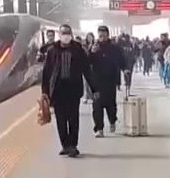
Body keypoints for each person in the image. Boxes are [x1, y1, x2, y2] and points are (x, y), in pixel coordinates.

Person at [40, 23, 92, 158]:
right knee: (61, 120)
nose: (66, 36)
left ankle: (73, 145)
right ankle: (65, 145)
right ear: (59, 35)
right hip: (58, 90)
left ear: (71, 34)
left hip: (73, 89)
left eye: (68, 33)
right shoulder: (52, 51)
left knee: (73, 118)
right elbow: (46, 72)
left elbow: (86, 69)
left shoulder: (78, 50)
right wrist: (45, 91)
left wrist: (94, 88)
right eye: (63, 33)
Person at [88, 25, 126, 137]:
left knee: (111, 104)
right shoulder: (94, 47)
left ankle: (112, 120)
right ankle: (99, 129)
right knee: (97, 106)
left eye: (104, 36)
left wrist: (125, 69)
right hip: (97, 81)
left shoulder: (114, 48)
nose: (102, 38)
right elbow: (88, 62)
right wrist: (91, 53)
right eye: (100, 36)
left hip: (110, 80)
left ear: (108, 35)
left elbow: (121, 59)